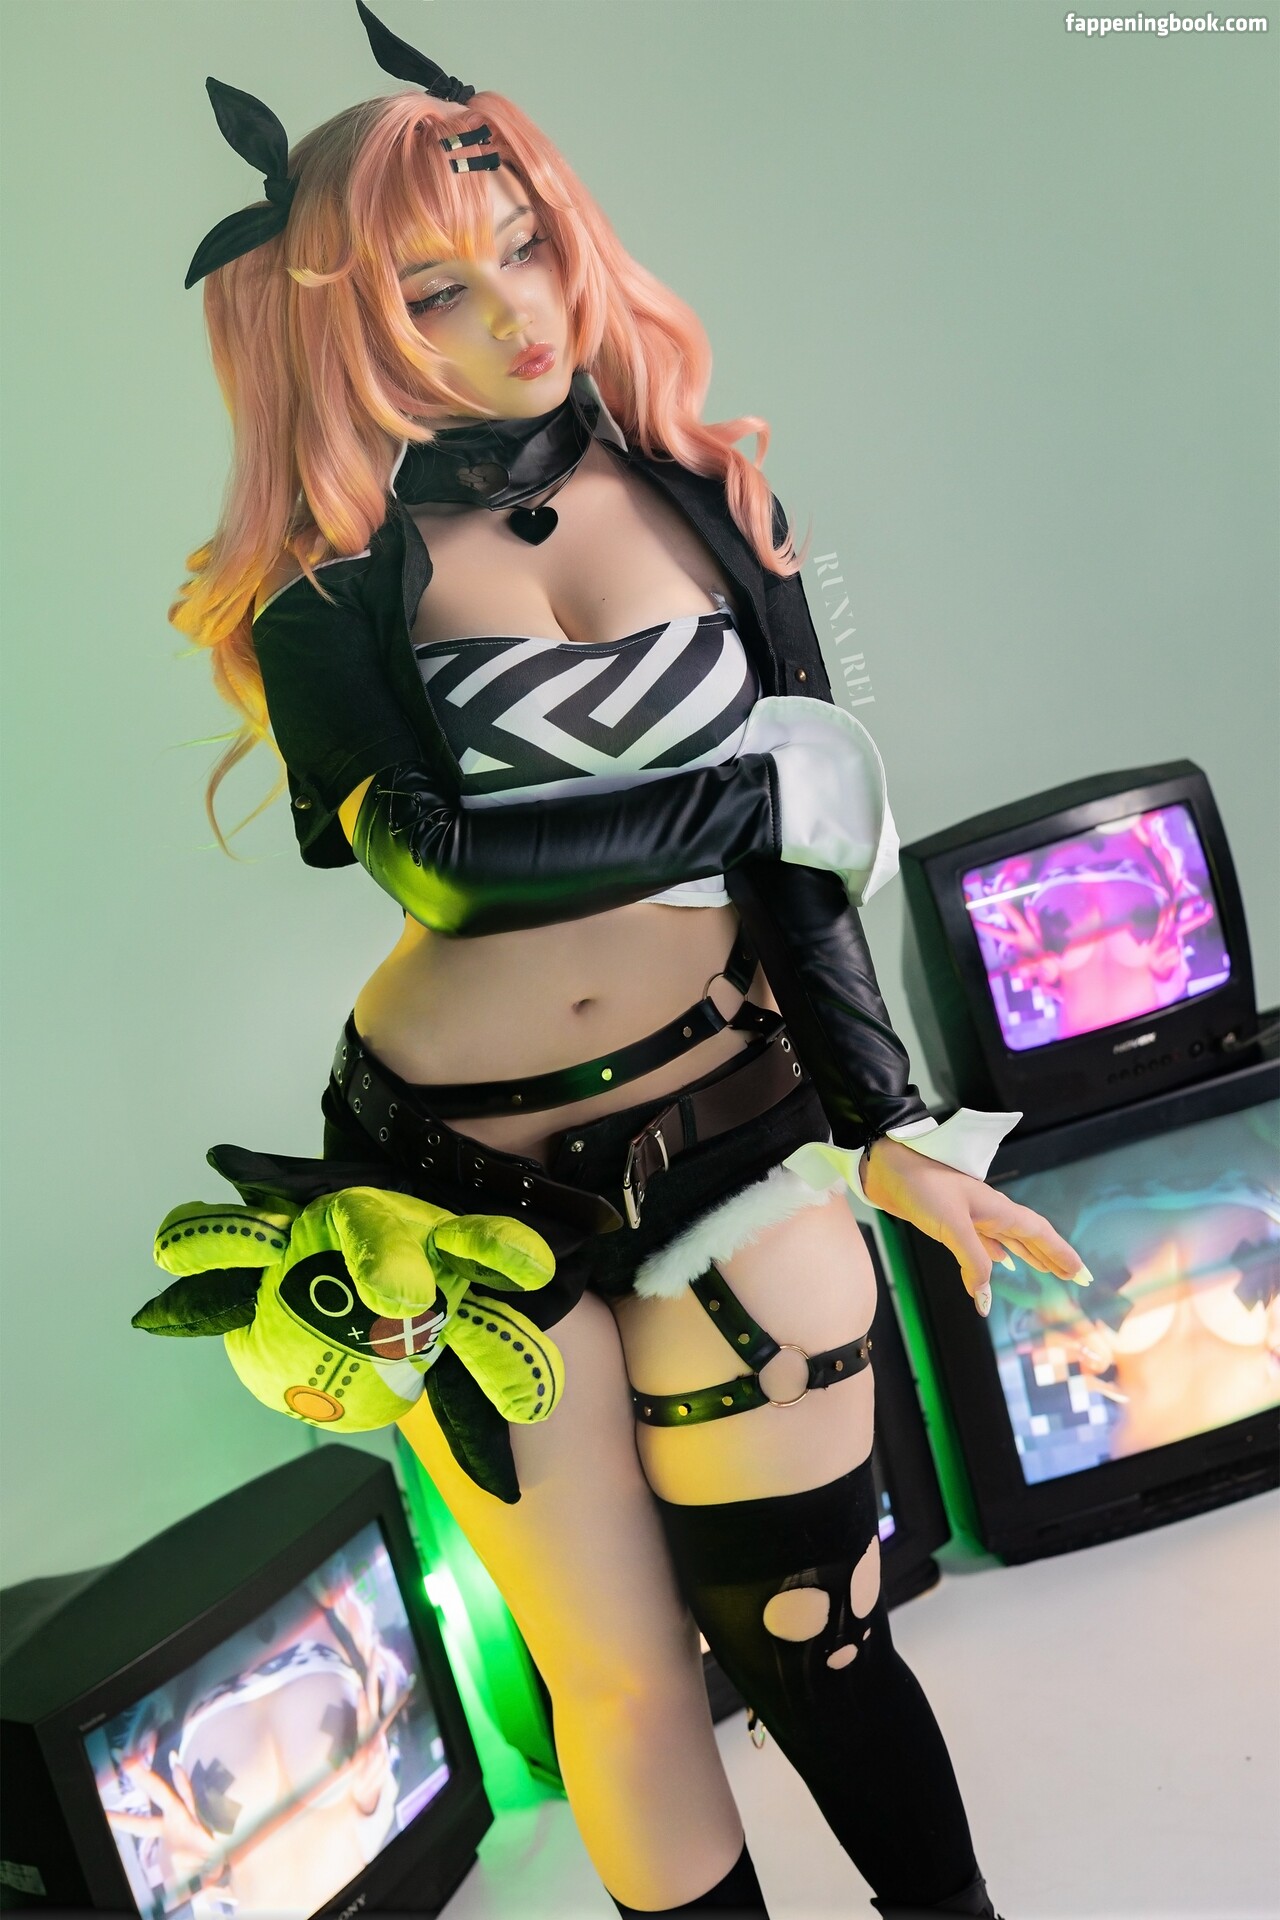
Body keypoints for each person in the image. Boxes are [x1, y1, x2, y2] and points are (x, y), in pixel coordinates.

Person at [172, 7, 1089, 1914]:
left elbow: (809, 876)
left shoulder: (704, 491)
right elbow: (437, 868)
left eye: (528, 247)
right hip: (446, 1190)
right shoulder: (330, 576)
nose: (516, 312)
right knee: (619, 1681)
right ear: (338, 322)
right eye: (437, 288)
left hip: (733, 1119)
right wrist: (747, 801)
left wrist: (892, 1122)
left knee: (813, 1624)